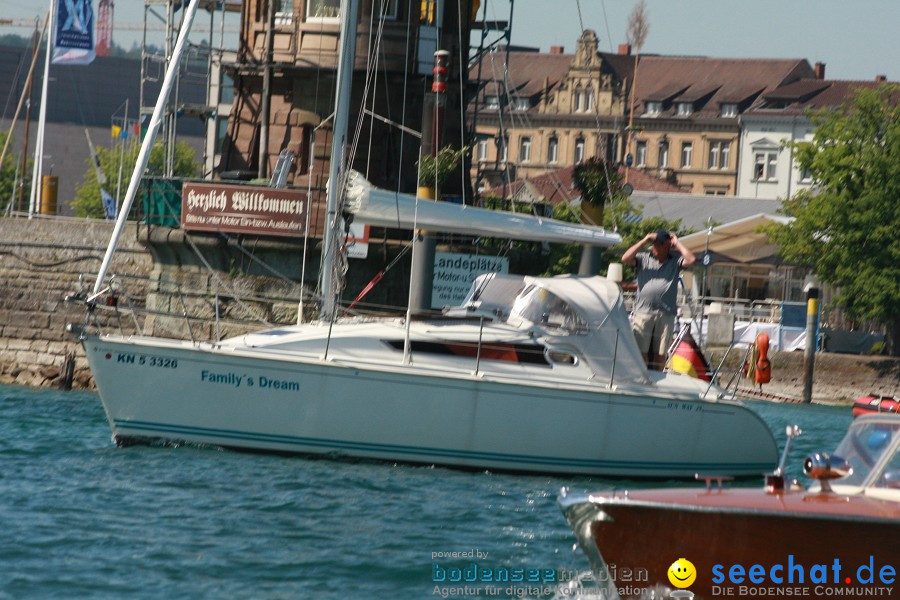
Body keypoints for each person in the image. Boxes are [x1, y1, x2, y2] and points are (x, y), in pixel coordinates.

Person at [622, 229, 696, 370]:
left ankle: (658, 379)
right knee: (641, 351)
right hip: (644, 312)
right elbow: (625, 258)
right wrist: (644, 240)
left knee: (660, 353)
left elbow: (691, 259)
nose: (655, 247)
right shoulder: (644, 257)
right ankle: (643, 378)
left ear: (667, 246)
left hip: (666, 314)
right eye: (654, 244)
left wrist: (677, 243)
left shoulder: (675, 261)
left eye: (660, 244)